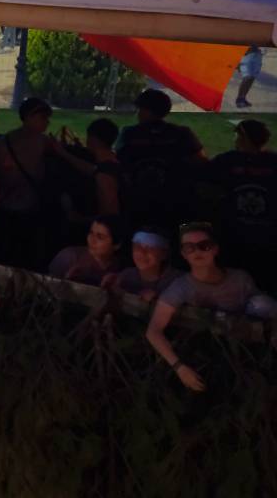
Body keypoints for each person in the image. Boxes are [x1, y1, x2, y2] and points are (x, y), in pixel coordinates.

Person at [146, 223, 264, 392]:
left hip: (247, 358)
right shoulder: (181, 287)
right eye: (189, 248)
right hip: (208, 360)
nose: (197, 252)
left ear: (215, 249)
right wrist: (179, 367)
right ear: (183, 254)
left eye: (204, 246)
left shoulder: (240, 279)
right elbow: (153, 330)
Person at [117, 88, 204, 227]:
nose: (138, 113)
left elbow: (119, 164)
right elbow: (200, 162)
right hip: (176, 202)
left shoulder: (129, 134)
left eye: (141, 109)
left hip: (139, 202)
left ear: (147, 111)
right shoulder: (182, 133)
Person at [208, 119, 277, 291]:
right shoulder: (273, 161)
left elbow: (204, 180)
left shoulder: (227, 161)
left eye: (238, 135)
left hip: (234, 233)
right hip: (267, 235)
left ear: (243, 138)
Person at [0, 98, 53, 269]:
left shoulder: (4, 141)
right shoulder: (43, 142)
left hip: (6, 203)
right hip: (29, 206)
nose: (47, 123)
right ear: (29, 117)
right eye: (43, 118)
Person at [51, 117, 121, 221]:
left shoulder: (104, 175)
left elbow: (110, 217)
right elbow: (92, 169)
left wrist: (76, 217)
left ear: (93, 140)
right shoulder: (112, 163)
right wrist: (64, 153)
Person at [104, 228, 180, 302]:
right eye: (137, 247)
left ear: (164, 254)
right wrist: (111, 285)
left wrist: (159, 300)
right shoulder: (127, 275)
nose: (142, 252)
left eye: (151, 248)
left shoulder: (177, 281)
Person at [47, 216, 124, 286]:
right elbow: (47, 285)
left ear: (116, 245)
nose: (92, 240)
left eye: (100, 237)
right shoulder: (70, 256)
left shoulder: (118, 267)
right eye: (91, 233)